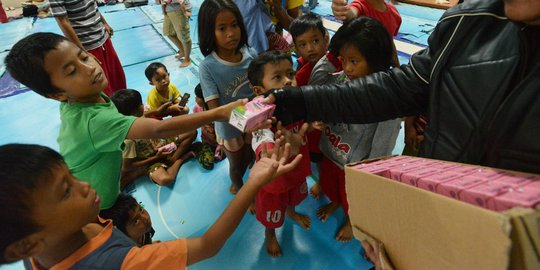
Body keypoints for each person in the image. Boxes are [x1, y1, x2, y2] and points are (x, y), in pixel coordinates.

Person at [266, 0, 540, 178]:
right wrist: (294, 101)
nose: (347, 69)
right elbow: (400, 88)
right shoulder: (467, 22)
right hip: (439, 195)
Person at [4, 32, 246, 211]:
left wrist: (155, 112)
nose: (90, 68)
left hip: (104, 192)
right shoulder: (95, 121)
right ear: (56, 94)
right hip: (94, 208)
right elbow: (160, 128)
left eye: (83, 57)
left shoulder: (88, 97)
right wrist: (218, 113)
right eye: (71, 71)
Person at [0, 141, 302, 269]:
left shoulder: (43, 249)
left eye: (72, 176)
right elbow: (209, 245)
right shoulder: (122, 263)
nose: (85, 185)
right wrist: (254, 183)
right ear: (26, 245)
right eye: (65, 191)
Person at [317, 17, 400, 242]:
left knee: (354, 199)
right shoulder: (343, 78)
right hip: (332, 152)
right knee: (331, 186)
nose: (347, 68)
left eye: (354, 61)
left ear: (375, 61)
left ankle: (353, 221)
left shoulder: (387, 101)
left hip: (356, 167)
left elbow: (382, 147)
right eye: (343, 60)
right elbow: (322, 89)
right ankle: (335, 201)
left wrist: (368, 174)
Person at [247, 51, 311, 257]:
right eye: (277, 77)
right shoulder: (260, 114)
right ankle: (270, 234)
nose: (288, 81)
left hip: (297, 168)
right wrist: (274, 151)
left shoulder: (299, 101)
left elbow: (305, 126)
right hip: (273, 178)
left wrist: (311, 127)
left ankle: (291, 211)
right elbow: (258, 138)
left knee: (293, 196)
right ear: (259, 90)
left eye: (290, 74)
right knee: (271, 210)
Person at [198, 0, 258, 194]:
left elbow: (260, 88)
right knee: (236, 164)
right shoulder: (208, 67)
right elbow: (215, 109)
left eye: (234, 25)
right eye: (222, 28)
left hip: (254, 119)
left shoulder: (250, 54)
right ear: (209, 32)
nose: (231, 33)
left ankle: (247, 180)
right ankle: (238, 187)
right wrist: (245, 116)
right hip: (229, 125)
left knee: (250, 154)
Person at [111, 89, 196, 187]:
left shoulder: (131, 117)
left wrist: (157, 110)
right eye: (141, 104)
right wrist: (155, 158)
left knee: (191, 131)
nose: (143, 106)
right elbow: (127, 167)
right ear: (134, 112)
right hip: (150, 159)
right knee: (165, 180)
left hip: (161, 143)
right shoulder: (128, 140)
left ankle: (171, 160)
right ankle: (180, 159)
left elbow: (144, 115)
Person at [49, 0, 126, 96]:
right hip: (87, 45)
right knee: (102, 86)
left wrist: (104, 23)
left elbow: (93, 5)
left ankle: (124, 106)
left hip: (103, 38)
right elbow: (62, 21)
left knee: (117, 78)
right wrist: (82, 51)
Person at [331, 0, 401, 67]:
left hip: (380, 68)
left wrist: (397, 65)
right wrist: (344, 10)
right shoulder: (360, 6)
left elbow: (390, 40)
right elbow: (351, 14)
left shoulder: (394, 13)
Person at [193, 84, 225, 170]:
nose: (195, 99)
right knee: (208, 163)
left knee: (231, 154)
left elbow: (224, 129)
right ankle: (196, 149)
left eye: (197, 96)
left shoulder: (218, 110)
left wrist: (221, 145)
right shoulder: (197, 109)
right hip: (208, 141)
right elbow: (199, 126)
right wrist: (208, 134)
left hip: (222, 142)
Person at [161, 0, 192, 67]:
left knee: (183, 36)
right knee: (168, 32)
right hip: (168, 9)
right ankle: (182, 52)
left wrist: (185, 11)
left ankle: (187, 59)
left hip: (179, 9)